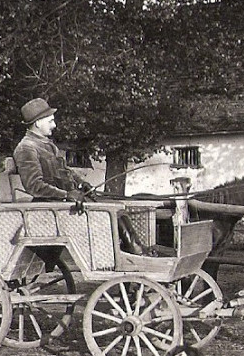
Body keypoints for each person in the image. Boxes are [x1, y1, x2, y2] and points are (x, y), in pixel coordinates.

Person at [13, 98, 150, 255]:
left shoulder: (46, 145)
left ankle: (132, 251)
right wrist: (66, 195)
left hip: (63, 204)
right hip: (49, 208)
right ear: (37, 123)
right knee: (110, 212)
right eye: (50, 121)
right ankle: (132, 253)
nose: (54, 125)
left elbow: (65, 171)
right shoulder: (26, 148)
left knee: (117, 207)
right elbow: (34, 186)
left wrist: (81, 183)